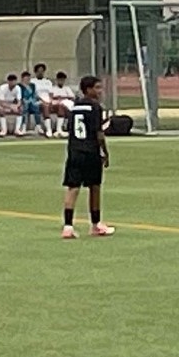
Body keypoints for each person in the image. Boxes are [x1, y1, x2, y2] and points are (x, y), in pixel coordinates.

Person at [60, 76, 115, 239]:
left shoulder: (75, 106)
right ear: (88, 89)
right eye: (97, 88)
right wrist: (105, 151)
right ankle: (95, 224)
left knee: (73, 187)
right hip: (90, 151)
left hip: (74, 150)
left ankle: (68, 227)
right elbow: (99, 133)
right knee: (94, 187)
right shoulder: (95, 107)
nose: (100, 91)